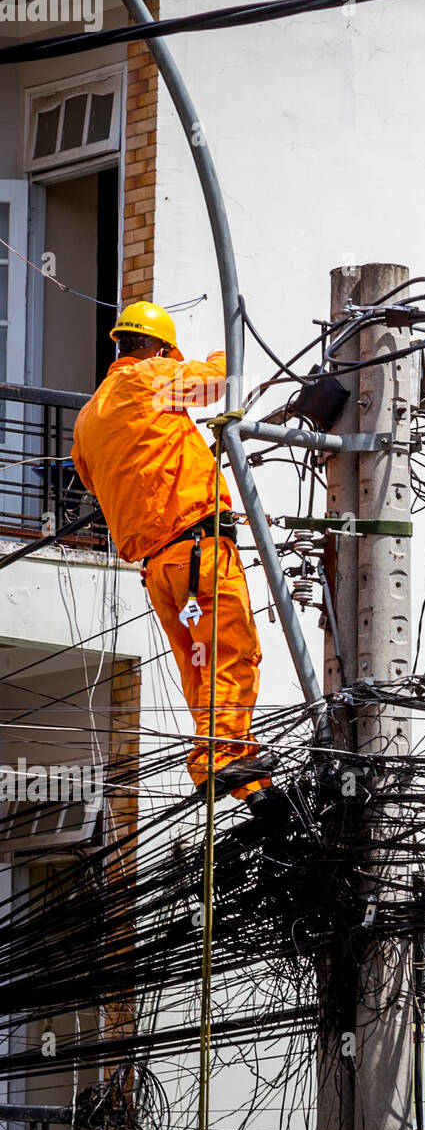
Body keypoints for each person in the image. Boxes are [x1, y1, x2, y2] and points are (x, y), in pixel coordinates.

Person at [71, 301, 280, 814]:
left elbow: (96, 479)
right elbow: (220, 381)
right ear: (160, 348)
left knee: (201, 668)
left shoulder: (86, 420)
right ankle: (220, 758)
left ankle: (247, 785)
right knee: (232, 654)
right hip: (197, 553)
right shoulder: (148, 379)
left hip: (159, 571)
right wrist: (217, 352)